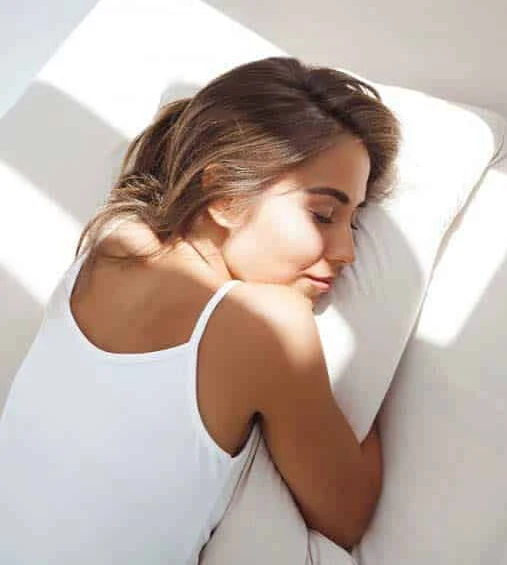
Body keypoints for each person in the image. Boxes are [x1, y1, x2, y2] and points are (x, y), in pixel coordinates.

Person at [0, 56, 401, 563]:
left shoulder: (110, 246)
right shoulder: (265, 325)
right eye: (323, 215)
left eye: (355, 223)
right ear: (223, 195)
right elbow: (348, 513)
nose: (346, 252)